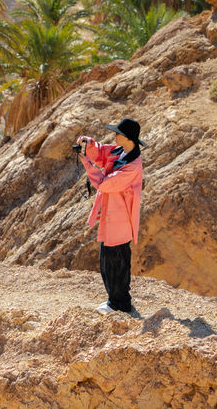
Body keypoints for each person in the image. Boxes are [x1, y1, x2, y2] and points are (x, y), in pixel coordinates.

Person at [77, 117, 145, 315]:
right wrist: (87, 143)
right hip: (112, 216)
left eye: (118, 133)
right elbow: (100, 152)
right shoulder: (120, 151)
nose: (114, 136)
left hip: (121, 218)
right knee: (108, 259)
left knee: (117, 260)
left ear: (127, 138)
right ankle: (115, 301)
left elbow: (106, 184)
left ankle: (120, 304)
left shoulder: (133, 166)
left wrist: (86, 163)